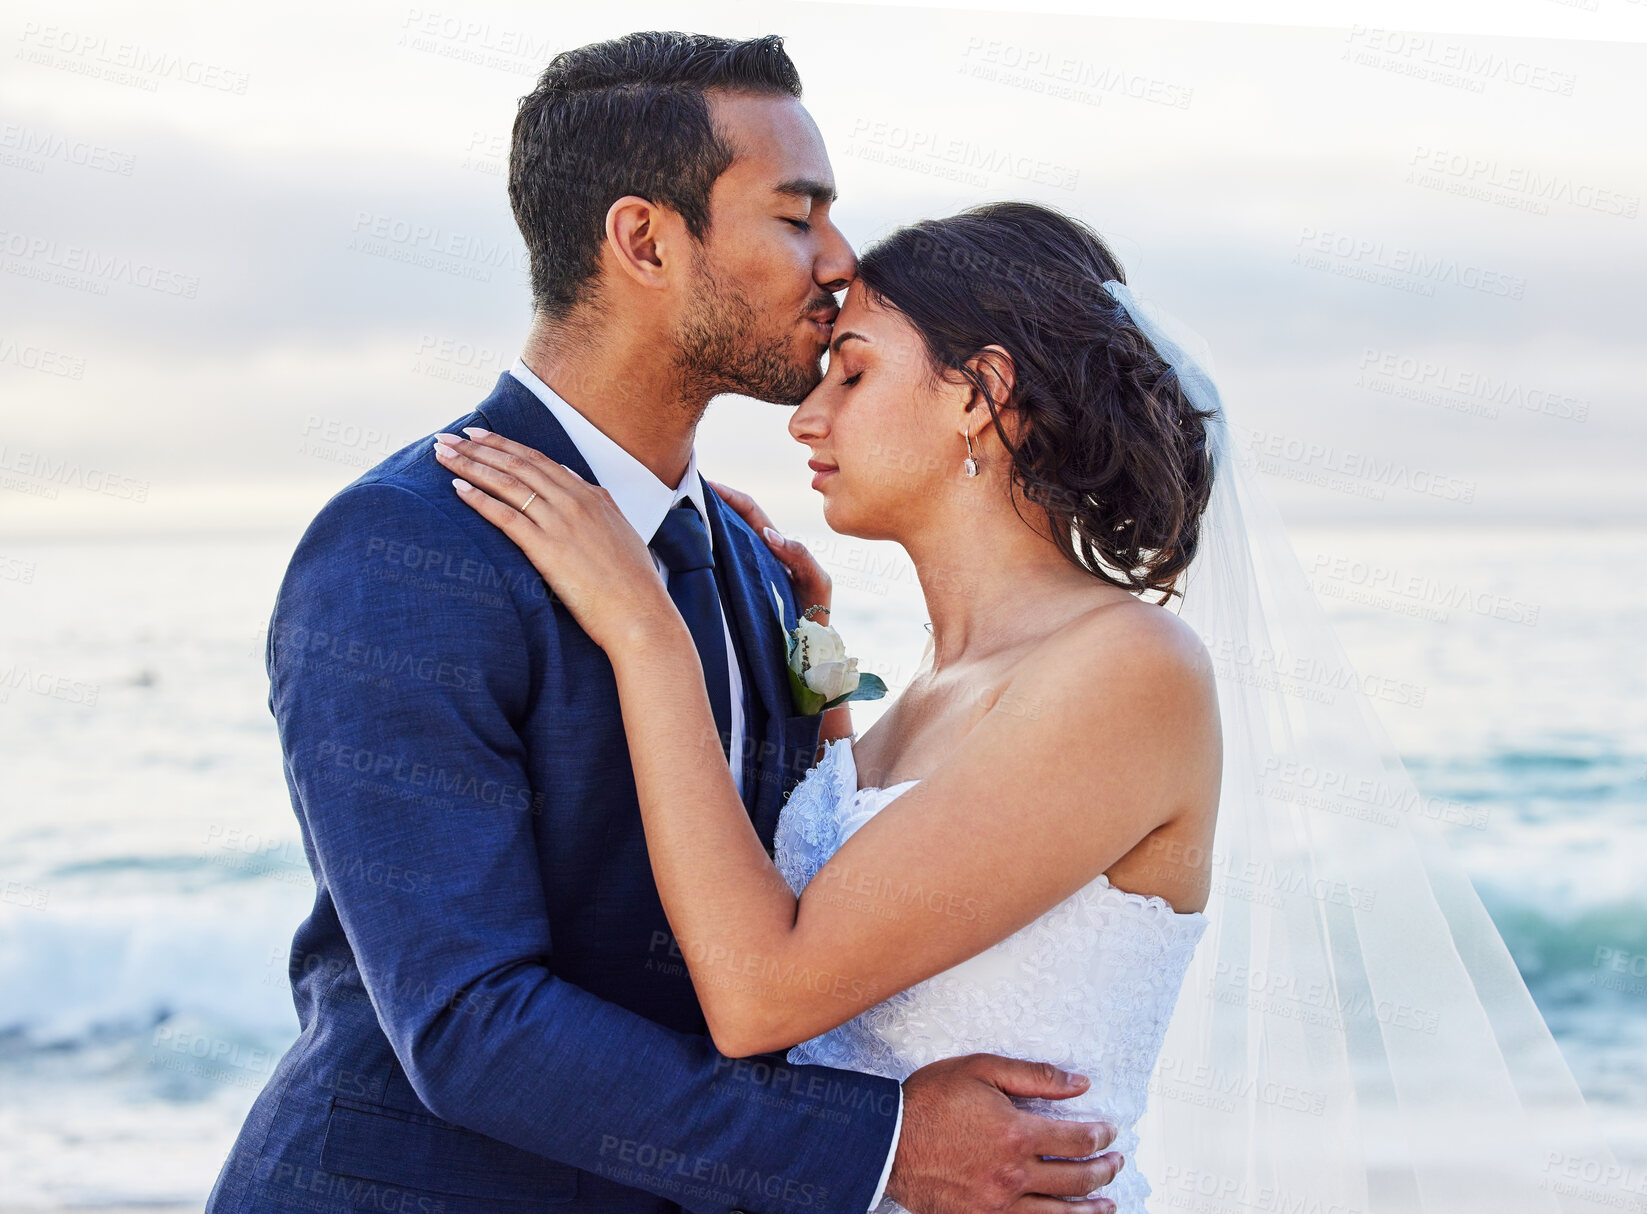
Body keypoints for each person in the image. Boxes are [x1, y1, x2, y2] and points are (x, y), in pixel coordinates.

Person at [205, 32, 1125, 1214]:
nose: (840, 263)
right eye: (798, 217)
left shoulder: (750, 561)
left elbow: (799, 895)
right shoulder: (407, 547)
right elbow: (470, 1024)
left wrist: (823, 659)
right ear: (644, 239)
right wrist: (884, 1144)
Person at [435, 201, 1222, 1214]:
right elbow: (856, 881)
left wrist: (646, 627)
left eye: (851, 373)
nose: (807, 416)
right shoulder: (933, 687)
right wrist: (809, 649)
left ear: (980, 394)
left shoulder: (1129, 668)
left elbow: (764, 992)